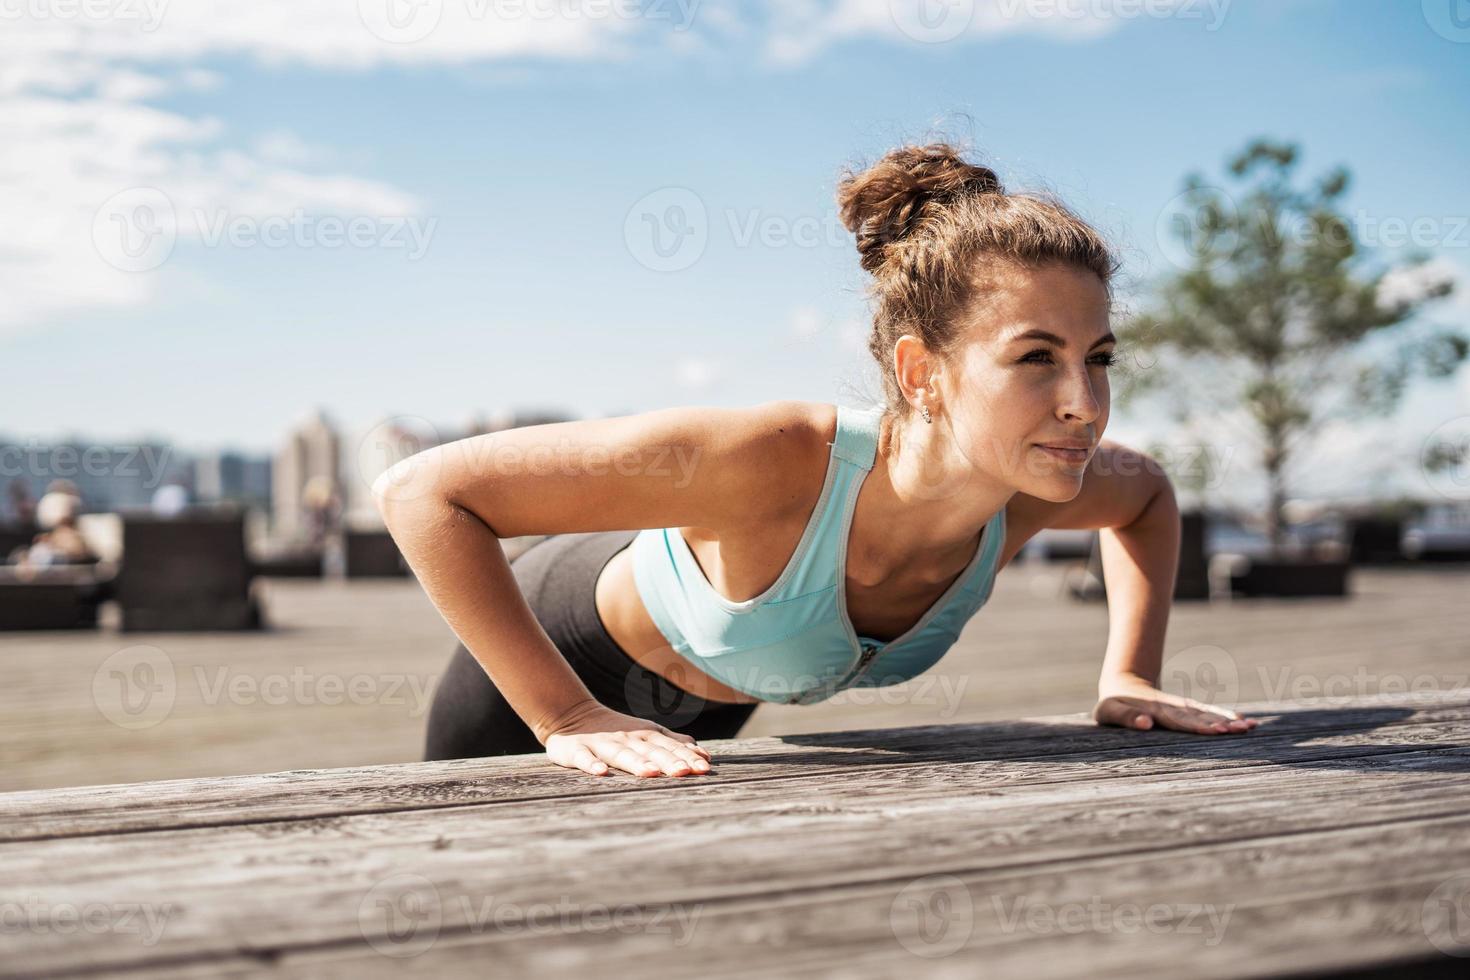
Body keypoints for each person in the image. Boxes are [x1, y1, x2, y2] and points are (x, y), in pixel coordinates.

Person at [377, 141, 1259, 780]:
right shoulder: (773, 461)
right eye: (1036, 358)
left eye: (1097, 358)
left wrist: (1130, 675)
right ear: (922, 373)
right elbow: (425, 493)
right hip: (555, 668)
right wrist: (565, 714)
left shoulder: (1034, 484)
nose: (1084, 402)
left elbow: (1145, 501)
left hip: (711, 708)